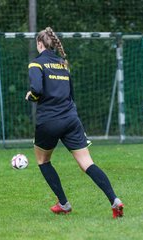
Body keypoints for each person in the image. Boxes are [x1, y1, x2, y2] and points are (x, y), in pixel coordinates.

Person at [25, 27, 123, 218]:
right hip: (71, 118)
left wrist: (31, 96)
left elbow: (36, 89)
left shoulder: (36, 64)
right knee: (87, 163)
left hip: (49, 120)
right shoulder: (64, 64)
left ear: (39, 44)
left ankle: (64, 204)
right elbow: (71, 94)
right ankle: (114, 200)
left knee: (43, 160)